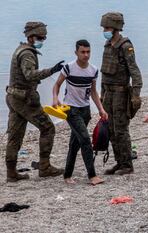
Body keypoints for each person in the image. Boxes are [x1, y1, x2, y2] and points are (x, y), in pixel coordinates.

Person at [5, 21, 65, 182]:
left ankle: (11, 172)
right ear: (31, 37)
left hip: (13, 97)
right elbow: (30, 75)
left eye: (44, 38)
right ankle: (44, 167)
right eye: (40, 38)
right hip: (25, 99)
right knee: (48, 128)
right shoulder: (27, 54)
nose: (42, 41)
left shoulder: (21, 49)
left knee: (15, 135)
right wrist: (51, 70)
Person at [52, 39, 107, 185]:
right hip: (71, 110)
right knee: (85, 140)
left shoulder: (93, 70)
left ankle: (67, 175)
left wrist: (101, 109)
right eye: (82, 52)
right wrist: (55, 98)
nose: (86, 55)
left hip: (85, 110)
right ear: (76, 52)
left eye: (88, 52)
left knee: (75, 143)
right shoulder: (69, 68)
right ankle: (92, 176)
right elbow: (57, 85)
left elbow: (94, 92)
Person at [100, 12, 143, 175]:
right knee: (110, 129)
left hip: (120, 94)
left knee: (121, 130)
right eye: (104, 27)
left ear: (116, 27)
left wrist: (136, 94)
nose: (105, 30)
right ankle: (119, 162)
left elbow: (134, 71)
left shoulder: (125, 46)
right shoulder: (107, 44)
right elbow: (104, 72)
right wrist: (102, 93)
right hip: (108, 94)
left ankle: (127, 164)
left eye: (107, 27)